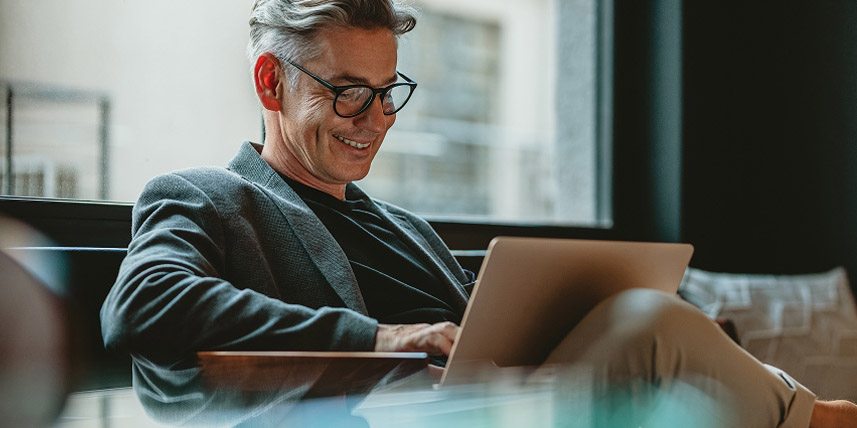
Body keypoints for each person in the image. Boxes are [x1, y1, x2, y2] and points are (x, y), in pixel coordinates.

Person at [100, 1, 857, 426]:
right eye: (346, 91)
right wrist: (384, 335)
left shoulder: (406, 228)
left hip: (511, 404)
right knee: (647, 330)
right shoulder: (204, 196)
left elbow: (490, 326)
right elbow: (144, 305)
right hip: (393, 419)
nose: (375, 118)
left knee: (650, 327)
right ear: (270, 82)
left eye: (388, 90)